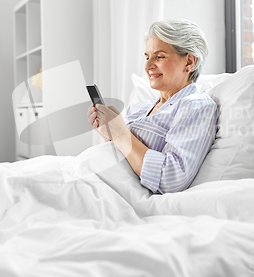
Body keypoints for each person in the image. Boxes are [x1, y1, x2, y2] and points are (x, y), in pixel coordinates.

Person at [86, 20, 218, 194]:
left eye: (160, 56)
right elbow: (115, 159)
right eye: (147, 57)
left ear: (189, 62)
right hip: (93, 179)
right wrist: (107, 134)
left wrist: (119, 132)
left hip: (112, 194)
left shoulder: (196, 106)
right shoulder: (141, 108)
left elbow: (171, 178)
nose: (147, 66)